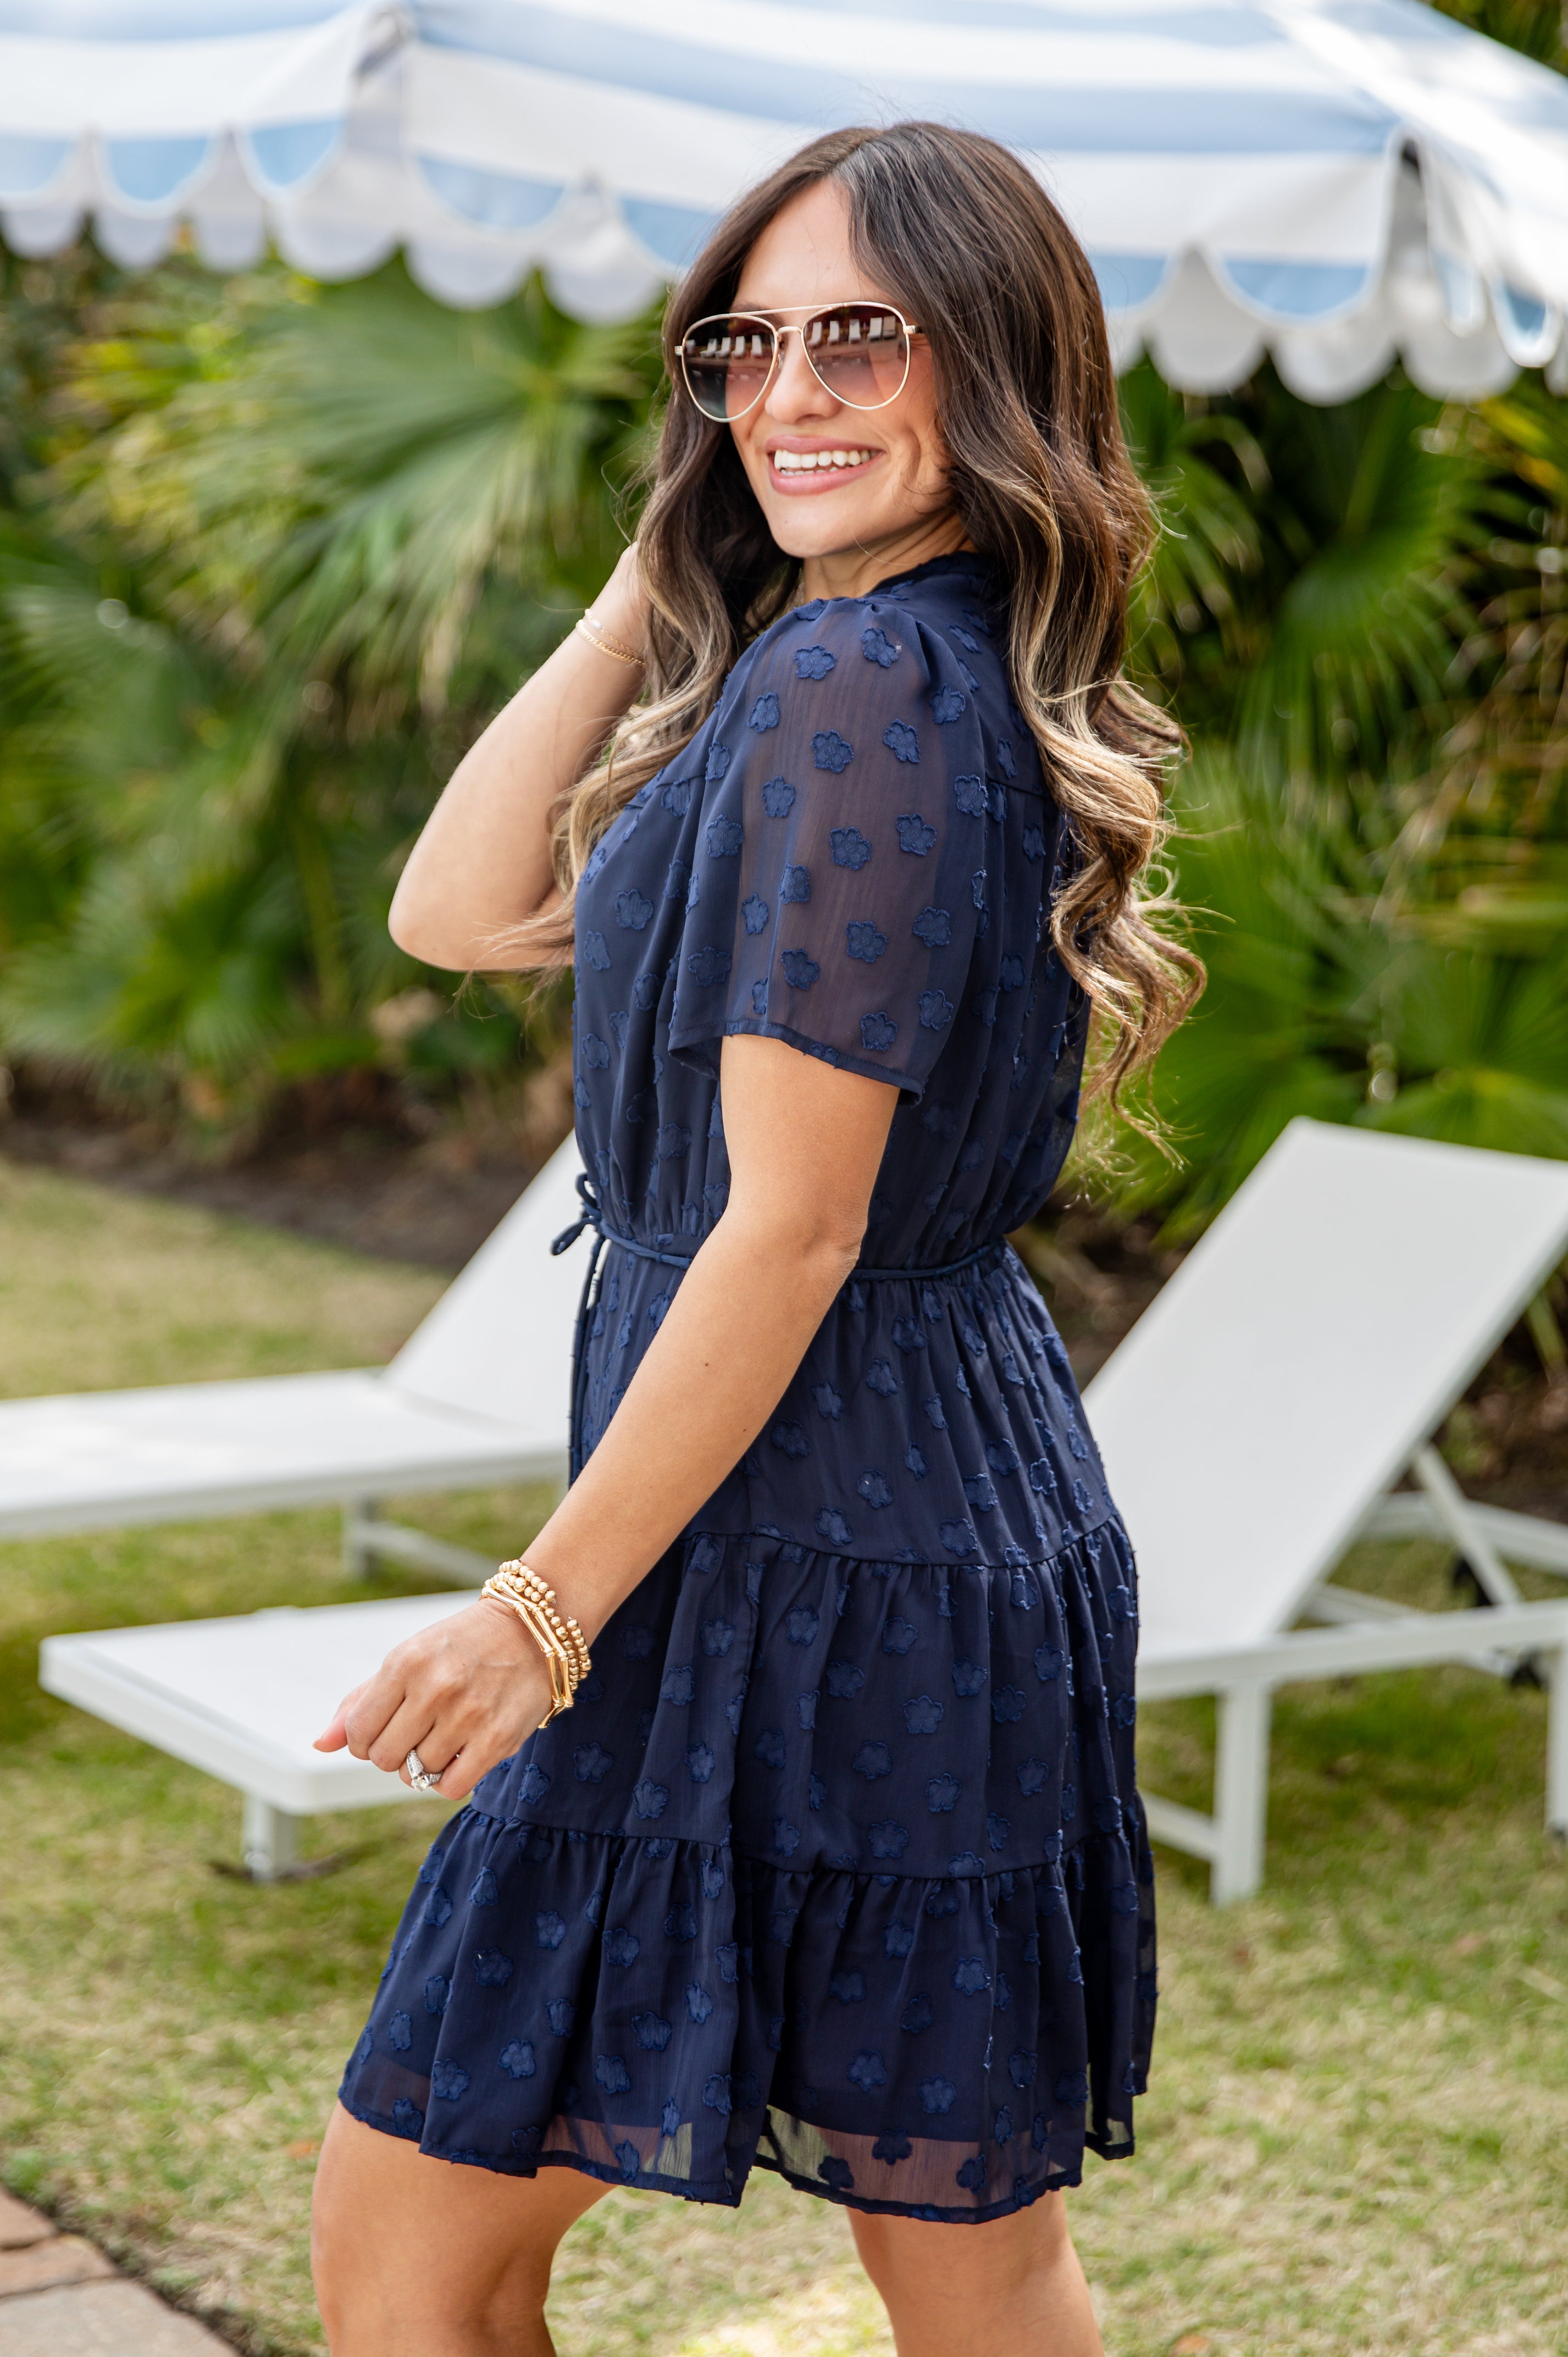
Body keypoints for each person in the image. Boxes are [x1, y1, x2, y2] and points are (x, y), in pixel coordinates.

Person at [310, 119, 1199, 2357]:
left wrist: (539, 1611)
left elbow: (788, 1232)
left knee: (419, 2245)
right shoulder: (884, 661)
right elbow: (455, 906)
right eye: (745, 348)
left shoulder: (853, 695)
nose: (790, 394)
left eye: (857, 339)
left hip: (793, 1536)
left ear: (986, 356)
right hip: (917, 1515)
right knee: (966, 2252)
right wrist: (660, 557)